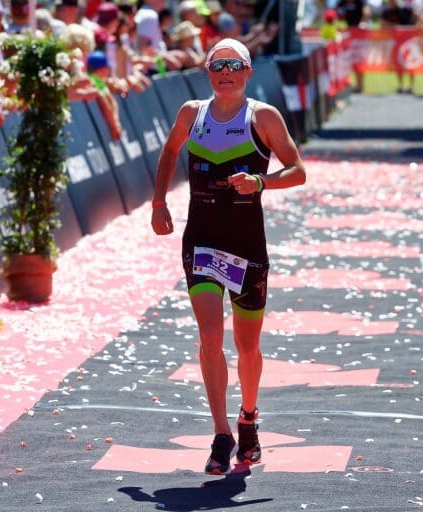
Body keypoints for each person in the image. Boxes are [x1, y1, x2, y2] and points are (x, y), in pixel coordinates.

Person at [150, 38, 306, 475]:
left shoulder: (263, 116)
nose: (225, 72)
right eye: (217, 65)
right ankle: (221, 433)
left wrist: (260, 183)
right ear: (207, 71)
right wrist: (159, 202)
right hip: (201, 240)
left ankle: (249, 418)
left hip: (246, 244)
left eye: (234, 65)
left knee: (247, 345)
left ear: (248, 72)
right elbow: (169, 152)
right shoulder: (190, 113)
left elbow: (298, 170)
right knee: (209, 337)